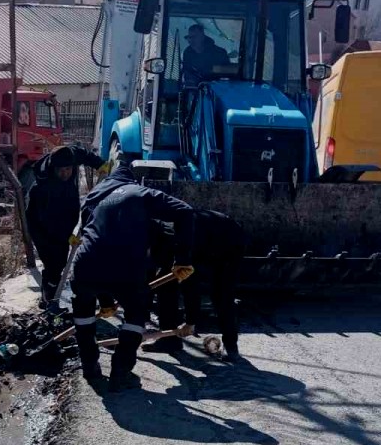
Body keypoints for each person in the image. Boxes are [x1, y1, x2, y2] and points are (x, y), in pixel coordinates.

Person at [70, 164, 195, 391]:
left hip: (86, 265)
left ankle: (90, 367)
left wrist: (106, 302)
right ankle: (120, 371)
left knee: (83, 315)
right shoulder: (138, 192)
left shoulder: (94, 200)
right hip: (124, 265)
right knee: (136, 314)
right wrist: (183, 258)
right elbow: (185, 211)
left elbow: (96, 239)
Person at [150, 209, 245, 362]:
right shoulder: (154, 235)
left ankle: (231, 346)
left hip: (228, 242)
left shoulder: (173, 239)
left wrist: (190, 322)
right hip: (203, 239)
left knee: (222, 293)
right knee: (164, 285)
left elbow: (190, 286)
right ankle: (169, 340)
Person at [25, 146, 107, 305]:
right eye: (61, 170)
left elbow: (81, 152)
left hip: (62, 217)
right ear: (53, 168)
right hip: (41, 227)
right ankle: (48, 298)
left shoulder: (69, 155)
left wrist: (99, 164)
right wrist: (67, 236)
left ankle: (50, 292)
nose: (65, 173)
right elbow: (49, 221)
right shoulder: (44, 188)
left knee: (61, 260)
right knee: (54, 263)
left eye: (68, 169)